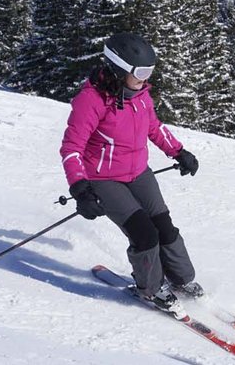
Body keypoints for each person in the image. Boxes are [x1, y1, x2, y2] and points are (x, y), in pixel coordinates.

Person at [60, 32, 203, 309]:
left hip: (139, 172)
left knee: (165, 227)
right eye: (140, 72)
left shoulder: (141, 96)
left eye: (150, 72)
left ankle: (182, 279)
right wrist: (80, 188)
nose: (145, 79)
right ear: (118, 69)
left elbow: (154, 127)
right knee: (144, 233)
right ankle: (151, 288)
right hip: (103, 179)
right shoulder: (91, 100)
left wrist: (179, 151)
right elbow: (71, 148)